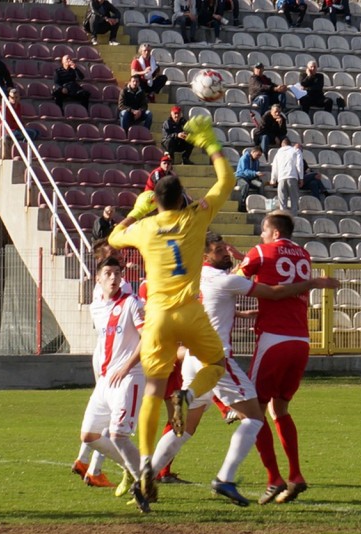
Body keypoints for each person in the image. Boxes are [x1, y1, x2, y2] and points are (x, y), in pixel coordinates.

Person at [148, 232, 339, 507]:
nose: (225, 253)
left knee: (186, 428)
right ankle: (225, 478)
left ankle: (146, 477)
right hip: (216, 359)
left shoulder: (193, 278)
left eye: (224, 248)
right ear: (205, 256)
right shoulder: (225, 280)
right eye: (219, 251)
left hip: (192, 357)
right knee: (254, 417)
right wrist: (312, 283)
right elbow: (275, 292)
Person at [107, 115, 234, 512]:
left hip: (158, 317)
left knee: (152, 390)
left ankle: (145, 463)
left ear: (156, 201)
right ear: (181, 199)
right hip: (190, 312)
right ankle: (189, 395)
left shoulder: (146, 229)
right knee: (215, 363)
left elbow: (113, 237)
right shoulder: (195, 216)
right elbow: (226, 181)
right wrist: (209, 143)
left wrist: (137, 209)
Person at [238, 213, 318, 504]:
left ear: (273, 232)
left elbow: (234, 282)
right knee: (280, 408)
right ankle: (295, 474)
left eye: (263, 231)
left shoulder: (261, 252)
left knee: (253, 411)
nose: (261, 236)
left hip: (273, 339)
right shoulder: (304, 255)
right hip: (301, 340)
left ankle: (273, 478)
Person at [78, 257, 146, 497]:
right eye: (108, 273)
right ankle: (133, 467)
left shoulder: (131, 303)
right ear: (98, 279)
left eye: (117, 273)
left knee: (118, 435)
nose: (113, 277)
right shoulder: (95, 308)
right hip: (105, 379)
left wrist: (126, 366)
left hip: (128, 378)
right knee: (89, 436)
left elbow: (147, 338)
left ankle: (144, 484)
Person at [271, 139, 304, 216]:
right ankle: (294, 219)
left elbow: (274, 167)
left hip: (281, 179)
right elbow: (299, 165)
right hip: (292, 177)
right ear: (290, 144)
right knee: (294, 202)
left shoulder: (278, 153)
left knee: (282, 203)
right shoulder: (296, 150)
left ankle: (283, 220)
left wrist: (273, 180)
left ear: (282, 145)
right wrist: (301, 178)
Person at [236, 146, 266, 211]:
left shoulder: (257, 161)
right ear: (253, 152)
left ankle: (261, 202)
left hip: (251, 179)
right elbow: (245, 171)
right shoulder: (244, 158)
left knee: (260, 184)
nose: (258, 157)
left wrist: (258, 176)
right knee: (245, 185)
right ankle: (242, 205)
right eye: (258, 155)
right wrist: (255, 173)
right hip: (241, 177)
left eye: (260, 155)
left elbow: (256, 172)